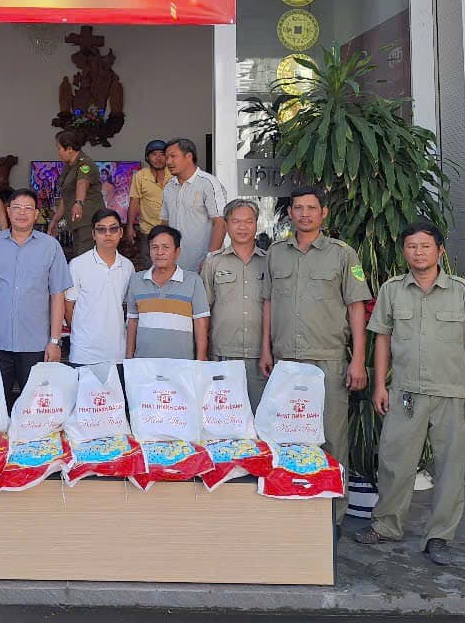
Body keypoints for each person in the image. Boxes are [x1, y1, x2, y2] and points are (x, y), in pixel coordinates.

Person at [354, 220, 465, 566]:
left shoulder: (462, 292)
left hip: (451, 394)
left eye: (425, 246)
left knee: (449, 468)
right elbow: (382, 339)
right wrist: (380, 385)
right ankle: (387, 526)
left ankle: (439, 535)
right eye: (412, 246)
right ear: (404, 251)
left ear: (440, 251)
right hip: (406, 393)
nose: (418, 252)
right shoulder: (392, 290)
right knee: (393, 462)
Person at [259, 185, 371, 527]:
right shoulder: (276, 253)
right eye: (298, 208)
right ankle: (294, 506)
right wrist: (265, 349)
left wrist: (358, 360)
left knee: (332, 438)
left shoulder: (342, 254)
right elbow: (268, 302)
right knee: (286, 436)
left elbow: (356, 308)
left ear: (323, 213)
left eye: (311, 208)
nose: (304, 214)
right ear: (290, 213)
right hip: (286, 362)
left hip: (328, 360)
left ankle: (333, 516)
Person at [0, 187, 72, 407]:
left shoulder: (50, 246)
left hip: (35, 345)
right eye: (16, 207)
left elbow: (57, 296)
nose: (22, 213)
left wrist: (55, 341)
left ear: (36, 214)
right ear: (7, 211)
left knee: (34, 409)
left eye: (28, 208)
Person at [200, 199, 268, 410]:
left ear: (256, 224)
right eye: (236, 221)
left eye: (248, 221)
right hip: (223, 354)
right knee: (224, 417)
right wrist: (203, 353)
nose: (242, 227)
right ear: (227, 224)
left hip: (261, 357)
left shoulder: (269, 262)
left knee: (259, 418)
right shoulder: (213, 262)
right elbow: (203, 311)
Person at [125, 224, 209, 360]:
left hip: (182, 364)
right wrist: (129, 358)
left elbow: (201, 323)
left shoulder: (193, 281)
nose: (160, 252)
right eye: (154, 247)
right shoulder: (137, 280)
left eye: (165, 247)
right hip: (144, 364)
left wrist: (200, 361)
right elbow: (132, 322)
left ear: (177, 252)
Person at [66, 208, 135, 367]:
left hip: (117, 353)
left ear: (121, 232)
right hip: (84, 353)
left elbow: (129, 308)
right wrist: (82, 334)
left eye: (113, 229)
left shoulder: (128, 267)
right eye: (101, 229)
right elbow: (68, 307)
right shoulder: (78, 264)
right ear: (93, 234)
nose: (108, 234)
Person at [160, 137, 226, 271]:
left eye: (173, 156)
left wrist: (210, 259)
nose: (168, 162)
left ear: (189, 156)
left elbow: (221, 223)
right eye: (166, 158)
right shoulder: (169, 187)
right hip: (174, 265)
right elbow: (165, 223)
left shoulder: (208, 183)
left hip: (201, 265)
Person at [48, 129, 107, 260]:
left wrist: (79, 202)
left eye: (59, 148)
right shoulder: (68, 166)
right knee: (78, 258)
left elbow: (82, 183)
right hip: (76, 223)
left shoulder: (85, 163)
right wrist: (55, 220)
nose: (58, 152)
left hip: (88, 222)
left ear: (69, 149)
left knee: (85, 259)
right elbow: (66, 197)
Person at [127, 139, 169, 268]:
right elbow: (134, 202)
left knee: (171, 264)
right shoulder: (140, 176)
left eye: (162, 154)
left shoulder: (175, 175)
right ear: (147, 157)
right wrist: (130, 226)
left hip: (172, 229)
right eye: (154, 154)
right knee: (149, 265)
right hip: (148, 230)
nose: (158, 158)